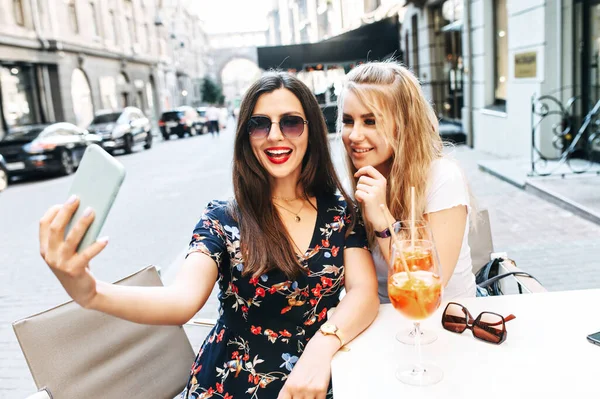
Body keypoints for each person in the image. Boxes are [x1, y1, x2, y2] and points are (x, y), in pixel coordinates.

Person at [38, 71, 379, 399]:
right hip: (229, 383)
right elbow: (180, 302)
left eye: (290, 122)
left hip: (317, 380)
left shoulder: (341, 212)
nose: (275, 135)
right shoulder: (223, 218)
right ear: (246, 135)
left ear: (312, 132)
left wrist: (324, 345)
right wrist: (91, 293)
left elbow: (363, 292)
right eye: (259, 124)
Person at [337, 61, 476, 301]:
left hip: (441, 322)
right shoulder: (359, 181)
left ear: (403, 126)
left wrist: (383, 222)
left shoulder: (441, 176)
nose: (355, 135)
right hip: (380, 320)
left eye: (370, 121)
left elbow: (429, 284)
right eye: (349, 121)